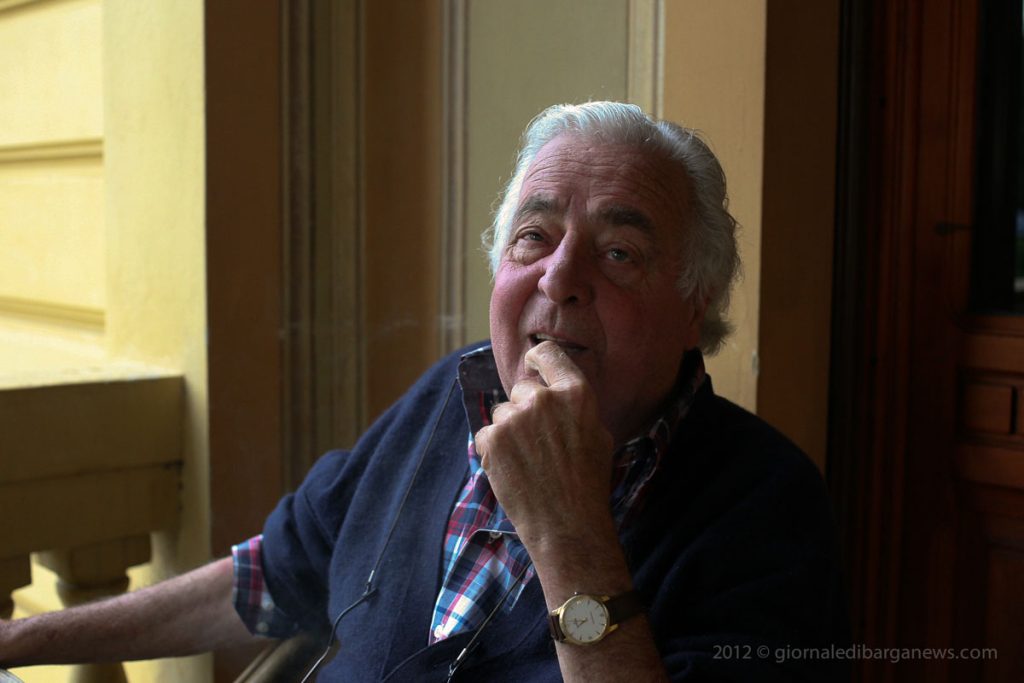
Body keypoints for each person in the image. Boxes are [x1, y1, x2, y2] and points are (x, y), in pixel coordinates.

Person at [0, 102, 847, 681]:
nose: (560, 276)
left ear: (696, 303)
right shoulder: (451, 394)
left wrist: (569, 529)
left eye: (619, 252)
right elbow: (270, 578)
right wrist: (17, 640)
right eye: (534, 237)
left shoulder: (765, 505)